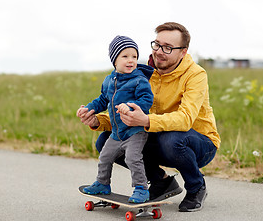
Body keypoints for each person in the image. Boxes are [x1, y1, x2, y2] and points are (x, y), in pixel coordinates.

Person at [78, 22, 221, 212]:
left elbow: (185, 119)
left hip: (199, 143)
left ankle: (196, 187)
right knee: (106, 142)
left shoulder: (196, 74)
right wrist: (98, 121)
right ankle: (161, 181)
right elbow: (128, 112)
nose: (159, 51)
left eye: (168, 48)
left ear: (183, 52)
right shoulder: (143, 73)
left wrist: (145, 121)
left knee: (170, 140)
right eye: (157, 44)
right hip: (155, 132)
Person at [76, 35, 154, 203]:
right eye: (125, 56)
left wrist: (131, 105)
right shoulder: (109, 81)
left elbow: (147, 100)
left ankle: (141, 188)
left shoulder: (139, 80)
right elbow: (103, 100)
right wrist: (89, 108)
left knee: (132, 158)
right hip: (117, 133)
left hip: (135, 131)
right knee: (105, 156)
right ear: (115, 60)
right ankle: (103, 184)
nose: (131, 60)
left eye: (134, 56)